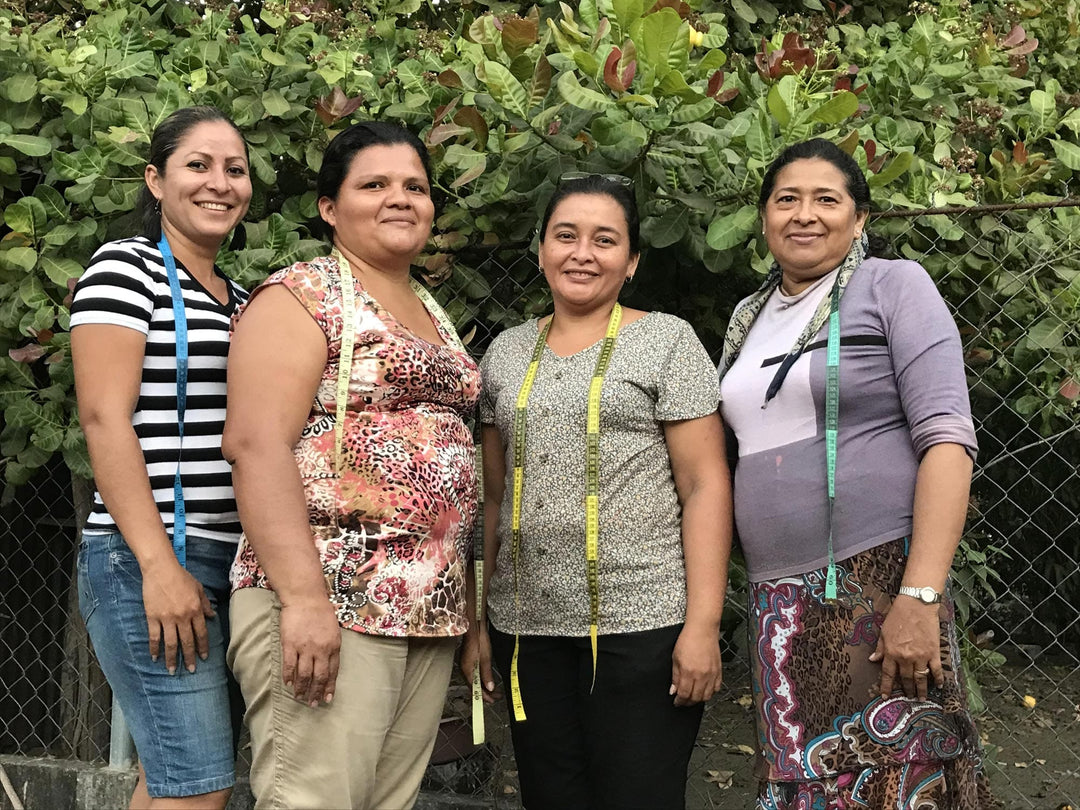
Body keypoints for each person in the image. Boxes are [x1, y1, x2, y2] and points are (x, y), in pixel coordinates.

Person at [717, 138, 995, 808]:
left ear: (860, 218)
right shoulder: (748, 317)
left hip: (875, 587)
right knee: (806, 782)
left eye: (826, 199)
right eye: (786, 199)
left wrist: (919, 595)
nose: (804, 215)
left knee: (897, 777)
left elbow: (948, 442)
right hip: (777, 603)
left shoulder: (894, 287)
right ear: (764, 218)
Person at [222, 121, 480, 810]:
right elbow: (255, 444)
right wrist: (304, 601)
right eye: (374, 184)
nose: (400, 199)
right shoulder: (301, 295)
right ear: (330, 208)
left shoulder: (427, 305)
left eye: (415, 187)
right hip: (331, 597)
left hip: (423, 610)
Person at [462, 174, 733, 810]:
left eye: (605, 240)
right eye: (566, 236)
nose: (583, 253)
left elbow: (705, 484)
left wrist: (703, 625)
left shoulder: (666, 341)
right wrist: (478, 617)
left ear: (632, 260)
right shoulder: (505, 353)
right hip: (527, 627)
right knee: (551, 796)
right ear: (541, 250)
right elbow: (493, 498)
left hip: (643, 624)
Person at [70, 106, 252, 809]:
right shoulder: (128, 266)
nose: (219, 183)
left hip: (227, 561)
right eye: (198, 166)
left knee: (172, 782)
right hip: (149, 557)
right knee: (199, 788)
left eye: (234, 170)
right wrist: (158, 565)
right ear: (156, 179)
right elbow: (103, 417)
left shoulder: (238, 298)